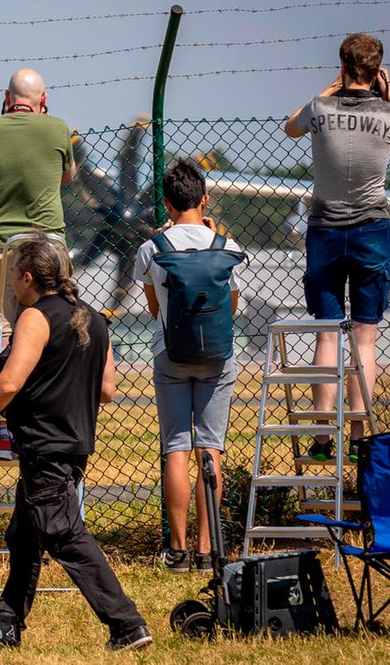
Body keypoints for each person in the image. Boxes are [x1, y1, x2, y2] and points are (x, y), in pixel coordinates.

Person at [0, 236, 151, 651]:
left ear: (28, 277)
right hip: (74, 440)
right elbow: (108, 390)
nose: (11, 284)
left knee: (62, 532)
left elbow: (9, 383)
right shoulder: (95, 318)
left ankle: (126, 623)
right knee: (24, 536)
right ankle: (9, 622)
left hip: (45, 443)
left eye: (13, 276)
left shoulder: (34, 317)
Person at [285, 33, 390, 463]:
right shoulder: (387, 113)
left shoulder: (320, 110)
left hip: (324, 228)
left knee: (326, 330)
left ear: (342, 67)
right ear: (377, 71)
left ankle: (323, 437)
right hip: (371, 229)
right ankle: (359, 433)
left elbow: (290, 126)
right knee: (365, 336)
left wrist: (327, 89)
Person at [133, 160, 243, 573]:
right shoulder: (226, 247)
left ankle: (176, 550)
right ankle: (205, 548)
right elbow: (232, 306)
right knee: (209, 448)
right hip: (218, 356)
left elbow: (152, 306)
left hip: (170, 354)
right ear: (204, 198)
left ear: (165, 204)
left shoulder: (152, 249)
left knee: (176, 447)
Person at [0, 68, 76, 363]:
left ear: (6, 97)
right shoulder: (58, 128)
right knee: (53, 321)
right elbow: (69, 176)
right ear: (44, 99)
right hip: (47, 244)